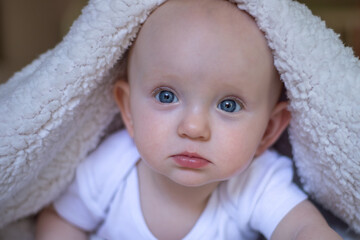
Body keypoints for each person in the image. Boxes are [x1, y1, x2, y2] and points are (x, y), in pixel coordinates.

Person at [36, 0, 342, 239]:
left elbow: (302, 228)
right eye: (166, 96)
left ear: (268, 130)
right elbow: (62, 219)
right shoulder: (111, 169)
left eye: (229, 104)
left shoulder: (256, 182)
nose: (194, 128)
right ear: (128, 111)